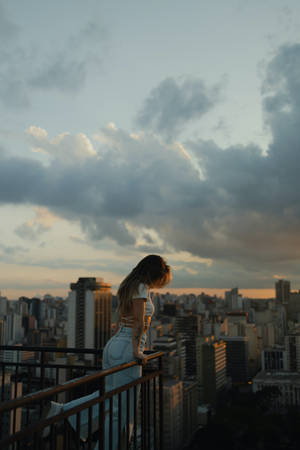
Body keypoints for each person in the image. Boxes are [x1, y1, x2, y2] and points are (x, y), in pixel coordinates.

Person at [43, 255, 172, 449]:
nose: (158, 284)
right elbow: (138, 321)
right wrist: (137, 351)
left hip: (115, 345)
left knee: (110, 398)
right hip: (127, 347)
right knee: (124, 410)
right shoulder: (142, 288)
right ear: (153, 274)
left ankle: (62, 411)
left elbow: (123, 319)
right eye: (159, 279)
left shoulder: (129, 285)